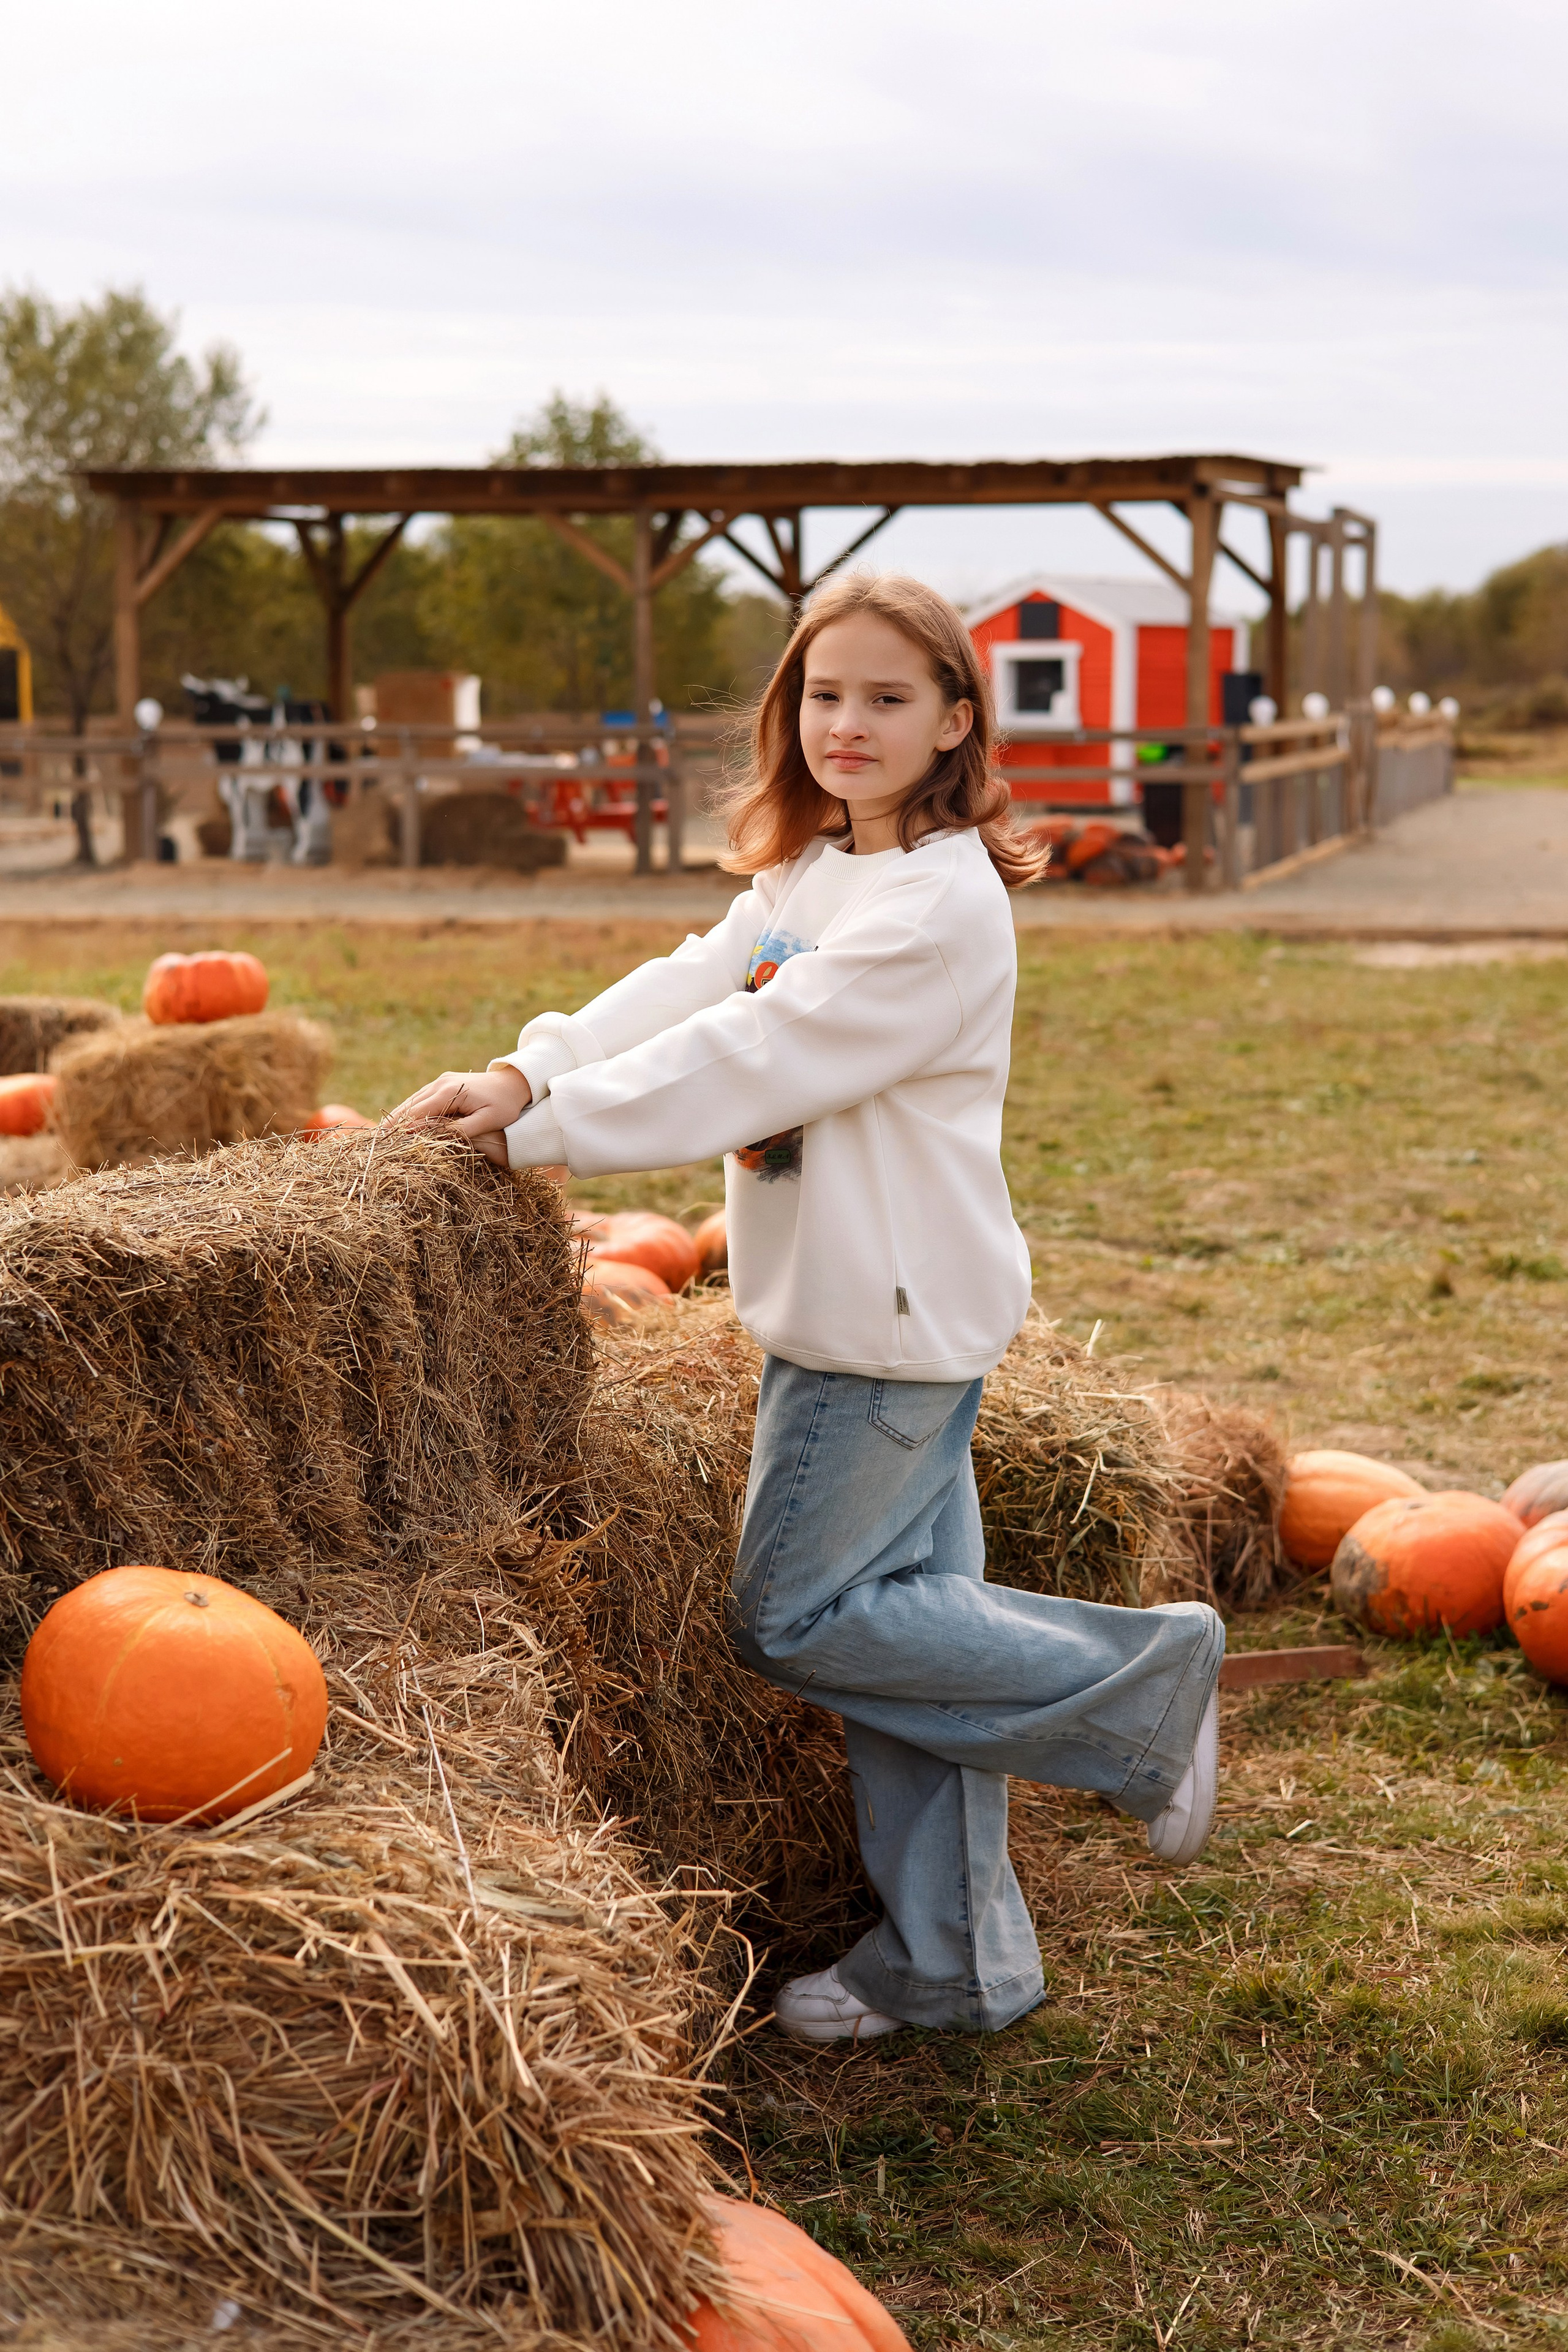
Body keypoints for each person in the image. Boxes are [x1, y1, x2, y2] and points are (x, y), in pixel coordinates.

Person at [391, 573, 1224, 2045]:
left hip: (879, 1329)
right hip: (841, 1306)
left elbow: (754, 1054)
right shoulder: (815, 872)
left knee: (798, 1619)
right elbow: (699, 981)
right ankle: (960, 1961)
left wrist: (540, 1131)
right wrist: (529, 1070)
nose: (848, 724)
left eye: (888, 698)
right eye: (823, 694)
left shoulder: (933, 910)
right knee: (912, 1637)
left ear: (957, 721)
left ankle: (1140, 1684)